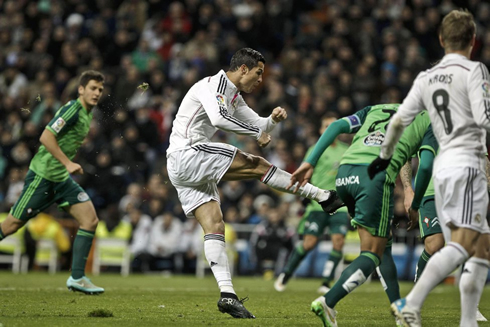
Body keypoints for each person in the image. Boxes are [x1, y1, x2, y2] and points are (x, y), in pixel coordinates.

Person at [166, 48, 342, 319]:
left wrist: (271, 121)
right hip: (188, 153)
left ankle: (227, 295)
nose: (261, 80)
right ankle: (321, 196)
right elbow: (218, 119)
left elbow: (259, 126)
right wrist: (255, 134)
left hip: (182, 167)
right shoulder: (213, 85)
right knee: (258, 164)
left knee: (214, 225)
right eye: (259, 73)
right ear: (244, 69)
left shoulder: (233, 95)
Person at [368, 10, 490, 327]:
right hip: (468, 164)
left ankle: (467, 320)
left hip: (443, 167)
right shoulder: (475, 71)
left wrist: (384, 154)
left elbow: (398, 121)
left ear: (441, 39)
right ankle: (412, 303)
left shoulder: (426, 78)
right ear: (473, 41)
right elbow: (483, 120)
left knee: (482, 246)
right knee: (463, 245)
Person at [289, 103, 436, 327]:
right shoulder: (431, 120)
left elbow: (337, 125)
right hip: (374, 177)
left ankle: (401, 309)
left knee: (382, 242)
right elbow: (425, 167)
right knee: (372, 253)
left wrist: (310, 161)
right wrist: (415, 205)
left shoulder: (375, 108)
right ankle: (328, 302)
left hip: (345, 173)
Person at [0, 70, 105, 294]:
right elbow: (45, 136)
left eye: (100, 90)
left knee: (90, 220)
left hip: (60, 180)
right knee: (10, 226)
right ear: (81, 89)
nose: (97, 93)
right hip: (42, 177)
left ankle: (77, 278)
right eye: (93, 88)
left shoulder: (88, 113)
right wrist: (67, 163)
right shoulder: (73, 110)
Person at [401, 148, 489, 322]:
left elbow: (483, 156)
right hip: (430, 191)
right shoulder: (422, 122)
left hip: (463, 193)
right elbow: (405, 155)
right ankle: (414, 298)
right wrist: (407, 189)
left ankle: (471, 307)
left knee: (472, 244)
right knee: (434, 245)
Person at [274, 115, 350, 294]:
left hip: (340, 204)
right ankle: (286, 273)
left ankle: (326, 282)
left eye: (334, 126)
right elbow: (304, 172)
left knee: (338, 242)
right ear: (321, 130)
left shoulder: (346, 150)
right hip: (317, 204)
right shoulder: (315, 149)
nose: (330, 129)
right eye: (327, 126)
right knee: (309, 243)